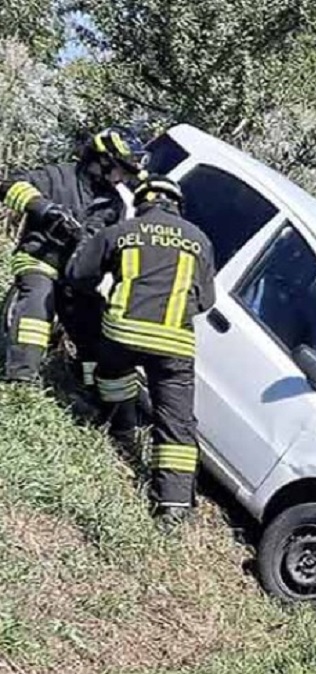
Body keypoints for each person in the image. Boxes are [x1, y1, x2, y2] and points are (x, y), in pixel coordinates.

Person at [64, 175, 215, 529]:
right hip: (175, 345)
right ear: (177, 204)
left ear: (143, 201)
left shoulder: (123, 231)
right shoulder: (200, 241)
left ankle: (120, 426)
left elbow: (78, 275)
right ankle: (173, 506)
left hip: (122, 334)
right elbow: (207, 300)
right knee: (175, 423)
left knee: (112, 372)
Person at [1, 127, 144, 387]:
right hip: (40, 259)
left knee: (94, 329)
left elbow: (111, 244)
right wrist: (45, 210)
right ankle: (20, 379)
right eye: (121, 169)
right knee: (38, 302)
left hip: (76, 277)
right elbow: (10, 184)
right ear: (103, 160)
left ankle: (90, 388)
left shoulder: (115, 205)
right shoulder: (59, 176)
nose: (122, 177)